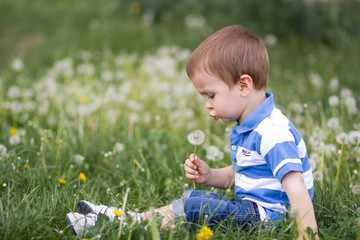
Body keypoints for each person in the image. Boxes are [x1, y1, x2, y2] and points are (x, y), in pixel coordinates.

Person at [66, 25, 318, 239]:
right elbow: (247, 173)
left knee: (195, 205)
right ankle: (128, 217)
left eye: (211, 95)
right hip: (254, 208)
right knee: (194, 197)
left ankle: (123, 225)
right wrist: (211, 176)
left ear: (243, 85)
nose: (207, 104)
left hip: (269, 218)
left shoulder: (273, 132)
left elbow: (294, 185)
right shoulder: (249, 125)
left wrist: (307, 235)